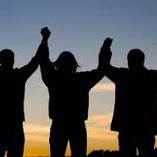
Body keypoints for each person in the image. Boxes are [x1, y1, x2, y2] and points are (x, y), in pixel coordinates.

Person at [38, 27, 106, 157]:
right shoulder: (81, 79)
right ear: (74, 65)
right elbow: (101, 70)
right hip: (77, 125)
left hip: (59, 124)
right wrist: (105, 49)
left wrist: (45, 39)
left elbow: (43, 60)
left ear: (58, 64)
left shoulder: (53, 78)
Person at [101, 40, 157, 157]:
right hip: (146, 128)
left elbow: (104, 67)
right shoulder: (152, 77)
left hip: (127, 128)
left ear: (128, 61)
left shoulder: (122, 75)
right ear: (143, 60)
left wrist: (106, 48)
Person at [0, 35, 41, 156]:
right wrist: (44, 40)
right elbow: (35, 61)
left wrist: (44, 40)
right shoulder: (18, 75)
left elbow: (35, 61)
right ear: (13, 60)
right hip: (14, 127)